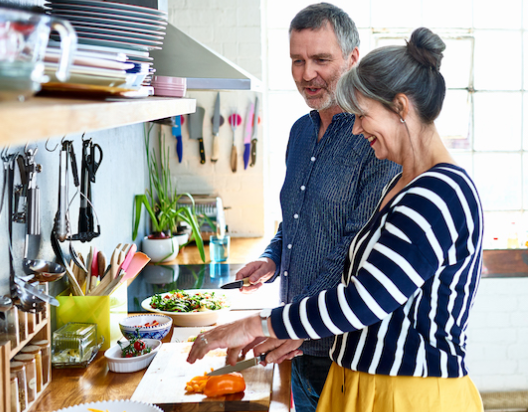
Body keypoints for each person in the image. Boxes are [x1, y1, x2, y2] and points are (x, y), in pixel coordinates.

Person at [188, 27, 484, 412]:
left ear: (401, 108)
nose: (357, 128)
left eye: (363, 115)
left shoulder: (440, 193)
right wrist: (296, 332)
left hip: (408, 395)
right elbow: (365, 285)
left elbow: (366, 299)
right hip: (364, 384)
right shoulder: (404, 182)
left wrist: (256, 324)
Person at [233, 4, 401, 410]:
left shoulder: (375, 141)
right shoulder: (300, 131)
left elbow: (353, 249)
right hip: (296, 348)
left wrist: (290, 324)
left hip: (345, 353)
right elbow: (296, 217)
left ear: (353, 59)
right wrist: (272, 257)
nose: (307, 74)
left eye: (321, 60)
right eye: (297, 61)